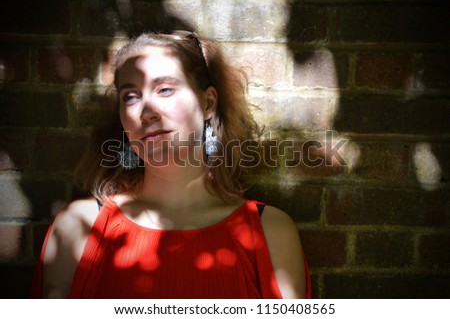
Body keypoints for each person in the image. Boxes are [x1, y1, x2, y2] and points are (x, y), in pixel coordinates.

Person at [31, 31, 311, 298]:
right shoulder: (79, 227)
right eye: (130, 96)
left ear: (208, 103)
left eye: (164, 89)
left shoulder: (269, 232)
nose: (147, 110)